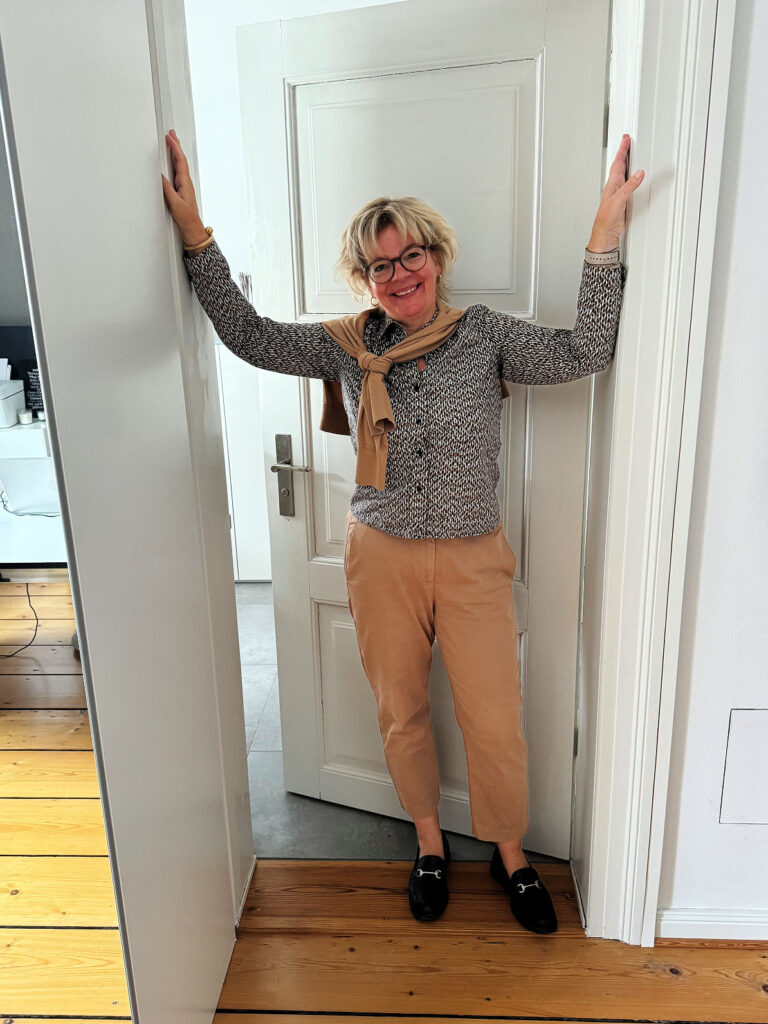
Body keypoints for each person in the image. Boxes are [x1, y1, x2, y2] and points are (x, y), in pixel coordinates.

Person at [161, 129, 644, 933]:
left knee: (495, 718)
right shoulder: (348, 346)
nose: (398, 274)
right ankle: (428, 844)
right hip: (378, 555)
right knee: (401, 710)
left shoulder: (485, 335)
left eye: (409, 255)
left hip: (472, 557)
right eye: (378, 265)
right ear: (364, 278)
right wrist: (195, 236)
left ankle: (512, 854)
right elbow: (250, 336)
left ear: (436, 256)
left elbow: (587, 350)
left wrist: (604, 233)